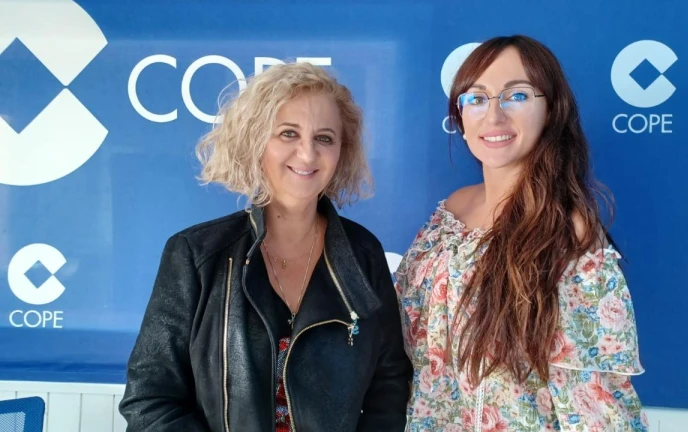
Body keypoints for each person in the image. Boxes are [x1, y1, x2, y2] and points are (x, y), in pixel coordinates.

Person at [119, 62, 412, 432]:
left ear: (342, 151)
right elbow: (149, 400)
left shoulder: (363, 255)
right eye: (288, 133)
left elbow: (388, 385)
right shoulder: (195, 254)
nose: (307, 154)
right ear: (255, 142)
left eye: (324, 138)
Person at [395, 35, 648, 431]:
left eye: (517, 95)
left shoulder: (569, 230)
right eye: (477, 98)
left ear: (551, 110)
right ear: (460, 117)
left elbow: (590, 398)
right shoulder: (451, 210)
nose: (494, 116)